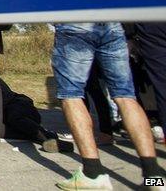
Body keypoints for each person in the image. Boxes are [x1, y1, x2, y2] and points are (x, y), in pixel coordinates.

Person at [51, 21, 164, 189]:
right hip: (111, 24)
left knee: (71, 95)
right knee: (126, 96)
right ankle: (154, 176)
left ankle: (92, 173)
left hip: (74, 23)